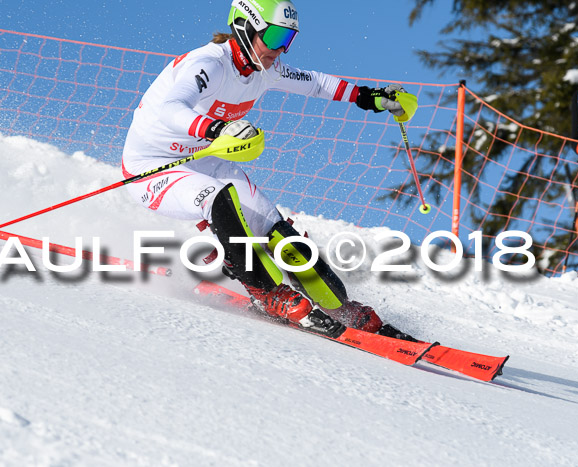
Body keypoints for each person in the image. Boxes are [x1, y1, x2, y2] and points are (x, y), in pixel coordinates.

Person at [121, 0, 414, 339]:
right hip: (154, 167)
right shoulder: (209, 63)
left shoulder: (266, 69)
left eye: (288, 39)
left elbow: (317, 83)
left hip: (203, 156)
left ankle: (338, 305)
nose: (280, 49)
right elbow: (172, 107)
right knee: (219, 198)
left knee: (273, 227)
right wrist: (217, 130)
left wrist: (371, 96)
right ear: (246, 28)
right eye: (274, 36)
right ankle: (266, 291)